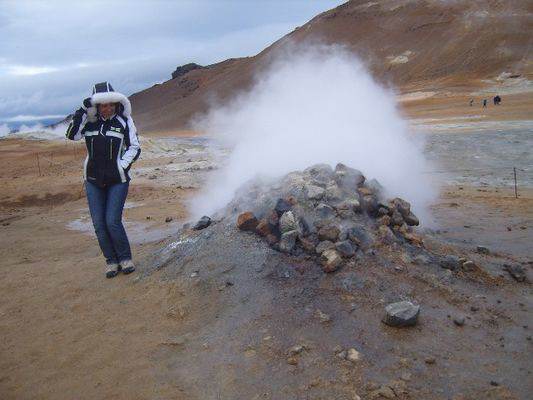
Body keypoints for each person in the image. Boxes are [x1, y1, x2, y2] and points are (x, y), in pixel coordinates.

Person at [66, 82, 141, 278]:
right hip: (92, 179)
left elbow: (134, 147)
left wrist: (121, 166)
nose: (107, 108)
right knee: (99, 224)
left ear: (116, 104)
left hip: (118, 179)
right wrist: (82, 110)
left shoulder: (125, 121)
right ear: (96, 106)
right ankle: (111, 261)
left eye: (110, 104)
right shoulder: (89, 122)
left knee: (112, 221)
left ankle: (125, 258)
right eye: (102, 105)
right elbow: (72, 135)